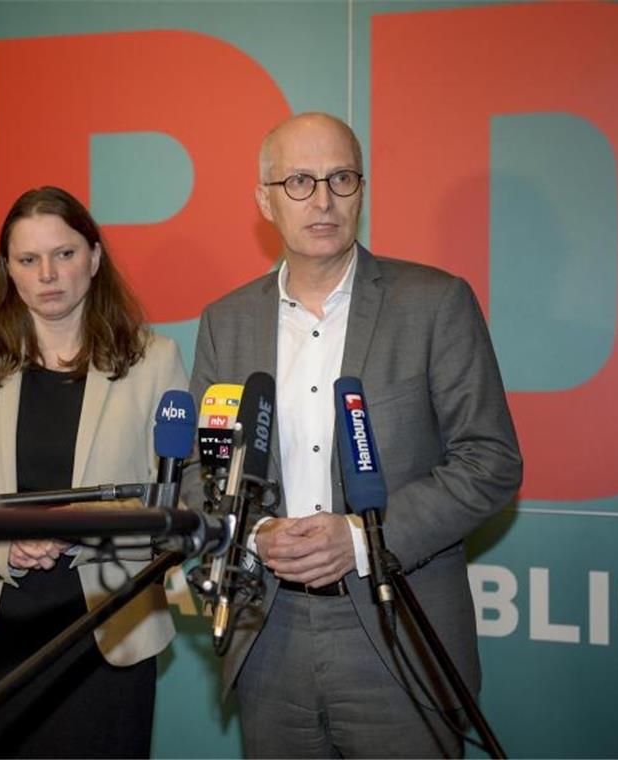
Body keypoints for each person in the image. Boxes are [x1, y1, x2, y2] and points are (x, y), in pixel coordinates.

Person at [182, 113, 523, 758]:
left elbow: (490, 461)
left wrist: (362, 539)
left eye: (341, 178)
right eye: (300, 181)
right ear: (265, 200)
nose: (323, 200)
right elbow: (204, 473)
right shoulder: (225, 323)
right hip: (269, 632)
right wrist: (256, 535)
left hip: (399, 630)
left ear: (361, 189)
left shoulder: (434, 303)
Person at [0, 186, 187, 757]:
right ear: (8, 270)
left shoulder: (154, 360)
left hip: (104, 636)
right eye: (28, 260)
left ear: (95, 258)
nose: (48, 274)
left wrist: (82, 527)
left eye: (65, 253)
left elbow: (179, 504)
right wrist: (3, 543)